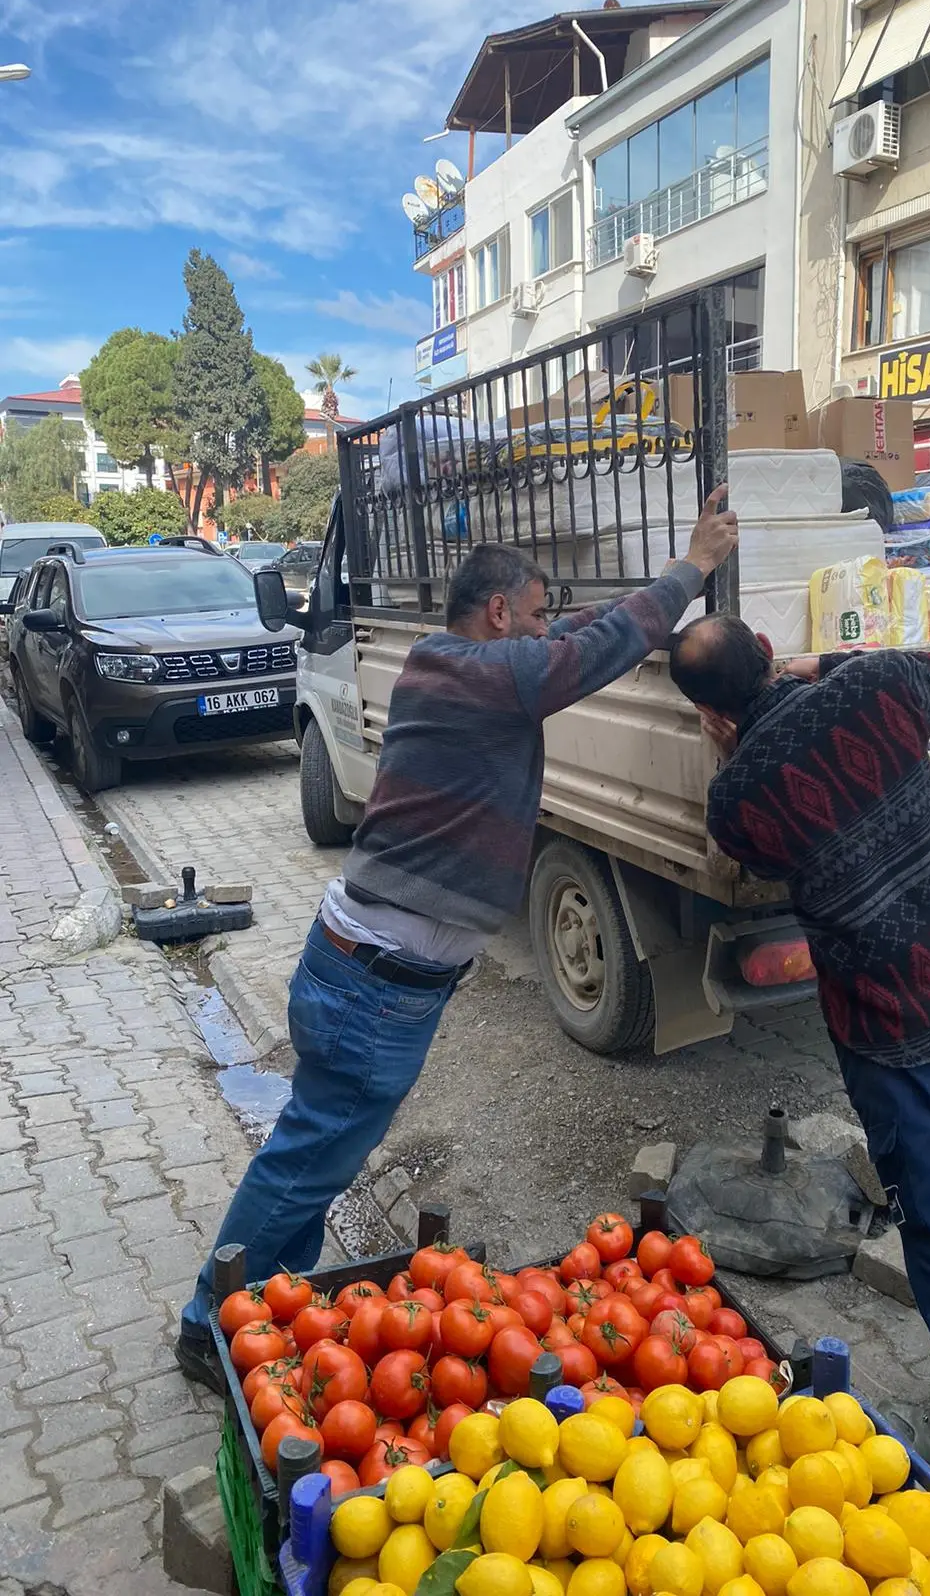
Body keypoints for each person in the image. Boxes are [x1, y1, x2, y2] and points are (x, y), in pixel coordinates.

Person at [176, 490, 738, 1387]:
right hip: (373, 986)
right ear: (500, 611)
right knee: (307, 1156)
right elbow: (579, 655)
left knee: (320, 1156)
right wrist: (693, 567)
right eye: (537, 613)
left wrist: (664, 627)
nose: (544, 629)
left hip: (379, 977)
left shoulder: (459, 668)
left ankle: (264, 1307)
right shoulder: (469, 672)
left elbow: (573, 639)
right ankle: (211, 1322)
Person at [668, 614, 930, 1491]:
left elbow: (745, 852)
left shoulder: (738, 796)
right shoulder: (875, 687)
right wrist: (829, 664)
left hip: (892, 1031)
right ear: (773, 654)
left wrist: (737, 743)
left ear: (711, 716)